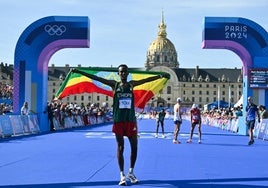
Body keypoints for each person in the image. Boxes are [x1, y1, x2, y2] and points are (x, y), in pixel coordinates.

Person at [72, 64, 168, 186]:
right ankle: (122, 175)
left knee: (134, 147)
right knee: (121, 148)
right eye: (121, 72)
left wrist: (160, 76)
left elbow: (146, 80)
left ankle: (131, 173)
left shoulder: (132, 84)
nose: (122, 74)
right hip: (119, 121)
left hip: (130, 120)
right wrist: (79, 71)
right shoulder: (114, 85)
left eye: (124, 72)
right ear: (118, 74)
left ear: (127, 73)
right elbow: (96, 79)